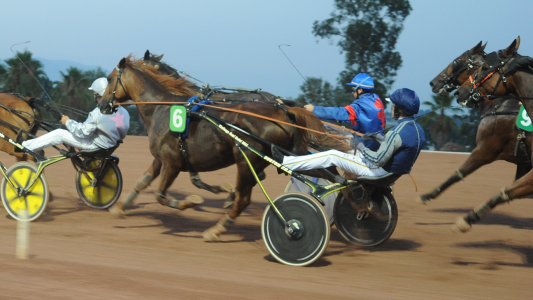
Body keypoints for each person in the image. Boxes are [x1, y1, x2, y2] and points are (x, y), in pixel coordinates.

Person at [273, 88, 425, 178]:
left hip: (376, 171)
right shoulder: (418, 131)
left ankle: (286, 163)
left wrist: (360, 146)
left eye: (393, 106)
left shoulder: (396, 132)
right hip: (389, 173)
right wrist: (378, 137)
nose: (391, 108)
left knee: (332, 155)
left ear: (399, 109)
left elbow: (378, 159)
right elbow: (395, 147)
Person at [19, 78, 130, 152]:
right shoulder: (125, 112)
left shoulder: (97, 113)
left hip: (94, 146)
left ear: (97, 95)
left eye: (94, 95)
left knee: (59, 134)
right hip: (109, 146)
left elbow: (82, 132)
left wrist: (67, 122)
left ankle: (25, 146)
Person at [303, 73, 386, 151]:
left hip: (362, 145)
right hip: (377, 144)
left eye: (353, 89)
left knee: (324, 128)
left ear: (360, 90)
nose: (352, 92)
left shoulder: (360, 105)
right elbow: (364, 119)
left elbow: (341, 112)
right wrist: (344, 119)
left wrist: (314, 109)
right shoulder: (376, 99)